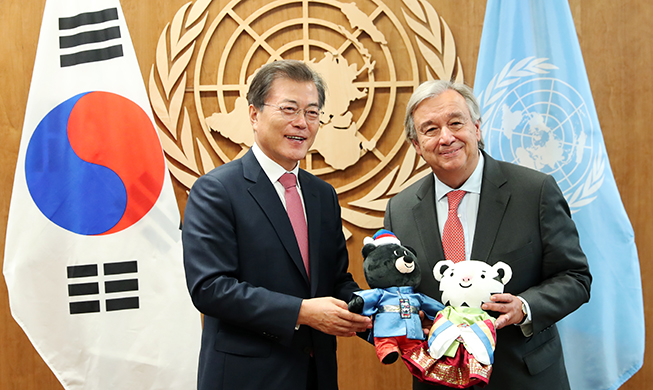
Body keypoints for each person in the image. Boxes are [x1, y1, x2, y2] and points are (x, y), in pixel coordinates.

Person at [384, 80, 592, 390]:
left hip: (523, 377)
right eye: (430, 129)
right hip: (440, 381)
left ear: (477, 128)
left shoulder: (534, 191)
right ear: (416, 145)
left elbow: (575, 277)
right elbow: (396, 292)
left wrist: (524, 307)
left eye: (456, 123)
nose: (446, 137)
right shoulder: (399, 209)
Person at [182, 60, 372, 390]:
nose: (302, 123)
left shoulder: (322, 194)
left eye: (312, 113)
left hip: (317, 375)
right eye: (289, 109)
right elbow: (210, 288)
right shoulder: (216, 190)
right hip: (247, 378)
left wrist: (385, 317)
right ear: (254, 114)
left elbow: (336, 280)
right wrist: (302, 312)